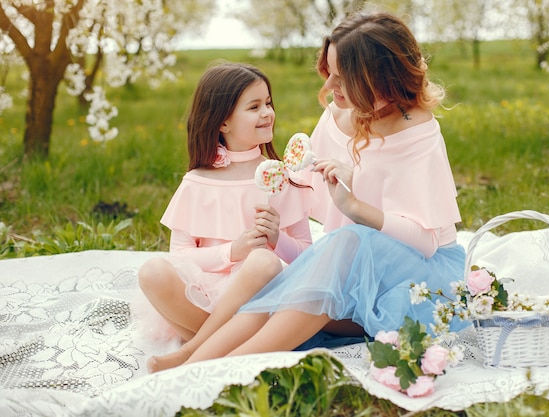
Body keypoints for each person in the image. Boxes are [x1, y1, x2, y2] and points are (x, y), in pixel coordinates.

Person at [163, 10, 468, 362]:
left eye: (343, 77)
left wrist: (353, 207)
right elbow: (302, 202)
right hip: (349, 268)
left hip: (417, 279)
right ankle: (192, 355)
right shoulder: (337, 114)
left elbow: (426, 242)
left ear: (378, 79)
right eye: (330, 72)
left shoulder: (416, 131)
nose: (329, 87)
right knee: (289, 286)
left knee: (347, 244)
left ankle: (219, 365)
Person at [136, 62, 313, 372]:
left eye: (268, 103)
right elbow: (180, 256)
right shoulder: (199, 181)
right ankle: (222, 345)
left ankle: (191, 351)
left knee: (263, 260)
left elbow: (310, 258)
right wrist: (233, 251)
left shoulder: (282, 177)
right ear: (223, 122)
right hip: (206, 299)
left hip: (263, 301)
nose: (267, 113)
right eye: (254, 106)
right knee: (152, 271)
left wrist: (278, 239)